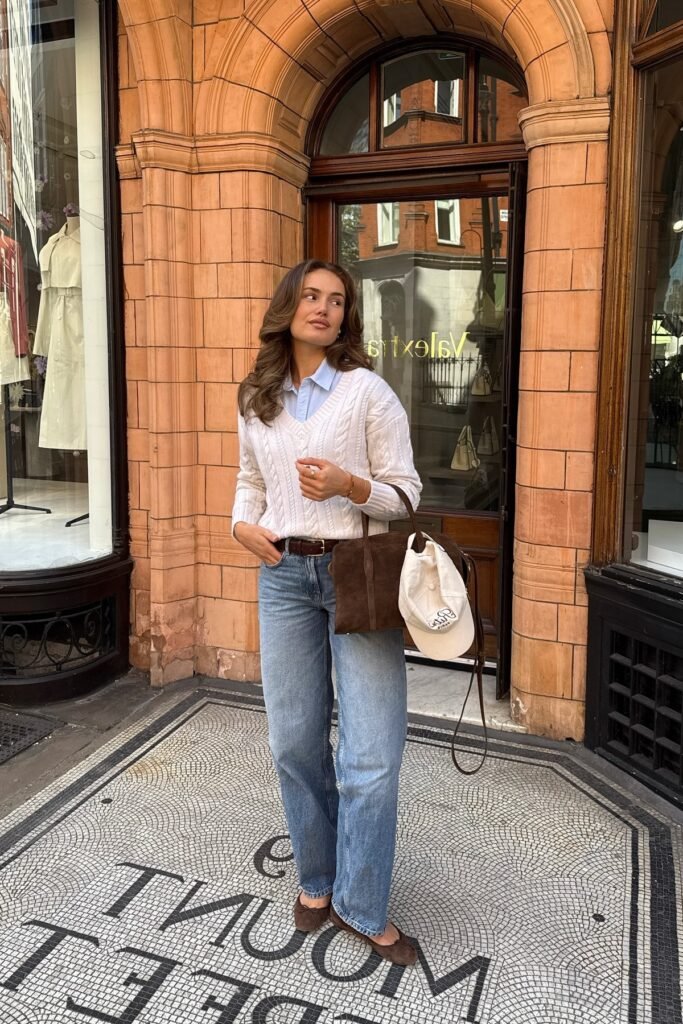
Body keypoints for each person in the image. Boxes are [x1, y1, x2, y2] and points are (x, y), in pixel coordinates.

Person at [232, 259, 422, 965]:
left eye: (336, 301)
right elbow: (250, 480)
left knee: (370, 757)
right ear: (288, 307)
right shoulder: (256, 395)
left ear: (347, 318)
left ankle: (361, 903)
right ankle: (317, 878)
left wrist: (349, 484)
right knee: (292, 742)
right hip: (283, 574)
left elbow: (405, 496)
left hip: (355, 572)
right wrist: (239, 524)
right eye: (311, 296)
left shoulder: (366, 393)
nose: (324, 309)